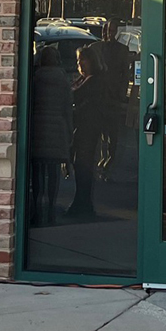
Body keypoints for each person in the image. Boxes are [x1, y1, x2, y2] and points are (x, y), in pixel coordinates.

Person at [29, 46, 73, 226]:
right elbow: (67, 106)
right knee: (53, 171)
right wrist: (69, 130)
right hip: (57, 126)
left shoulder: (35, 78)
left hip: (38, 126)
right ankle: (51, 209)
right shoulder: (63, 79)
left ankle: (36, 208)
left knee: (37, 172)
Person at [67, 44, 108, 218]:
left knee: (84, 165)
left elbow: (75, 96)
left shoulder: (94, 81)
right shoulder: (81, 79)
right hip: (80, 128)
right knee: (79, 165)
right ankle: (81, 202)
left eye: (83, 60)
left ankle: (83, 204)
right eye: (78, 60)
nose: (80, 64)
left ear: (92, 61)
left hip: (89, 128)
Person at [92, 19, 134, 177]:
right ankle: (101, 162)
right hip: (98, 97)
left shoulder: (122, 50)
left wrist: (122, 93)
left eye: (112, 30)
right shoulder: (95, 48)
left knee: (113, 134)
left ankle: (109, 162)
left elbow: (126, 74)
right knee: (100, 133)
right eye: (106, 30)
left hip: (114, 97)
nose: (108, 33)